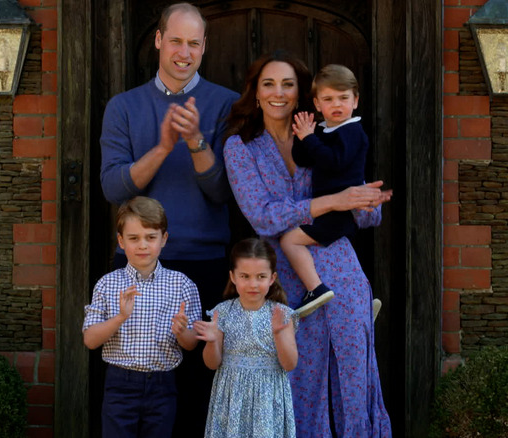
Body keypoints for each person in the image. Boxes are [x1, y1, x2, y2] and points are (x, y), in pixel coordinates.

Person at [223, 50, 393, 437]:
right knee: (298, 379)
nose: (278, 93)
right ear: (256, 92)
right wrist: (333, 201)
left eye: (288, 85)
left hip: (342, 273)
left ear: (301, 95)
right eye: (269, 84)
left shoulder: (327, 135)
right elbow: (262, 216)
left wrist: (367, 202)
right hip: (285, 280)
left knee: (352, 378)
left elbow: (362, 214)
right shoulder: (240, 147)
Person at [98, 3, 239, 435]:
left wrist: (196, 141)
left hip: (206, 264)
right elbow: (113, 189)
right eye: (175, 40)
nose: (184, 51)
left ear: (204, 47)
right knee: (142, 390)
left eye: (193, 43)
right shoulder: (123, 107)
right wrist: (162, 147)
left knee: (200, 387)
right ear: (158, 40)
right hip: (140, 267)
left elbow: (223, 193)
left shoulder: (226, 104)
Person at [82, 196, 202, 438]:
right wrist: (119, 318)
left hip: (162, 385)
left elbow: (191, 344)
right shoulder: (108, 284)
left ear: (164, 239)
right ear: (121, 241)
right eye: (133, 238)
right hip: (120, 384)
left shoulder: (182, 285)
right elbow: (90, 340)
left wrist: (181, 332)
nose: (143, 245)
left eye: (150, 237)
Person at [281, 64, 371, 317]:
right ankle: (358, 303)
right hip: (328, 208)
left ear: (355, 100)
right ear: (318, 104)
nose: (337, 104)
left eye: (343, 98)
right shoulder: (325, 129)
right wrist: (302, 135)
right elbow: (304, 159)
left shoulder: (353, 131)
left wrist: (310, 138)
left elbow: (334, 162)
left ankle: (316, 289)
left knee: (289, 240)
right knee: (338, 259)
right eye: (328, 99)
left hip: (340, 212)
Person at [195, 238, 298, 438]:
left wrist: (278, 334)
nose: (253, 284)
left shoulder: (282, 315)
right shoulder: (222, 312)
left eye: (261, 276)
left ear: (272, 278)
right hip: (231, 397)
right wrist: (212, 341)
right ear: (233, 276)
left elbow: (290, 363)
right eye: (245, 276)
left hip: (268, 398)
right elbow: (212, 363)